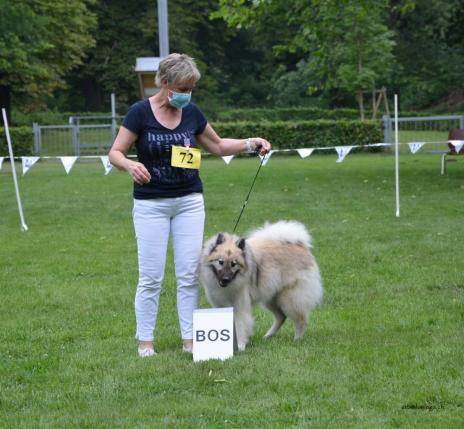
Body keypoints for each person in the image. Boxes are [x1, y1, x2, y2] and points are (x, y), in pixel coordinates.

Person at [109, 53, 271, 357]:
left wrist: (251, 143)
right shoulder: (139, 113)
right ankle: (145, 343)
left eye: (190, 89)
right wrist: (130, 166)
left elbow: (219, 145)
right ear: (165, 82)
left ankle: (190, 341)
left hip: (189, 202)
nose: (187, 94)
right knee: (151, 276)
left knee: (187, 274)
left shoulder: (192, 113)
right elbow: (115, 152)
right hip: (150, 205)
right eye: (182, 87)